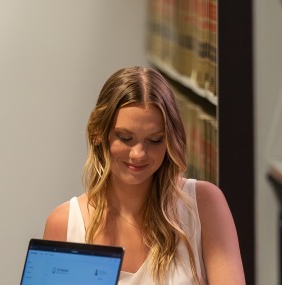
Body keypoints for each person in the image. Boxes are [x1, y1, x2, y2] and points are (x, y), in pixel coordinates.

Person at [42, 66, 245, 284]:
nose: (138, 154)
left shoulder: (204, 204)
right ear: (98, 134)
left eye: (155, 140)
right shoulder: (65, 223)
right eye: (125, 138)